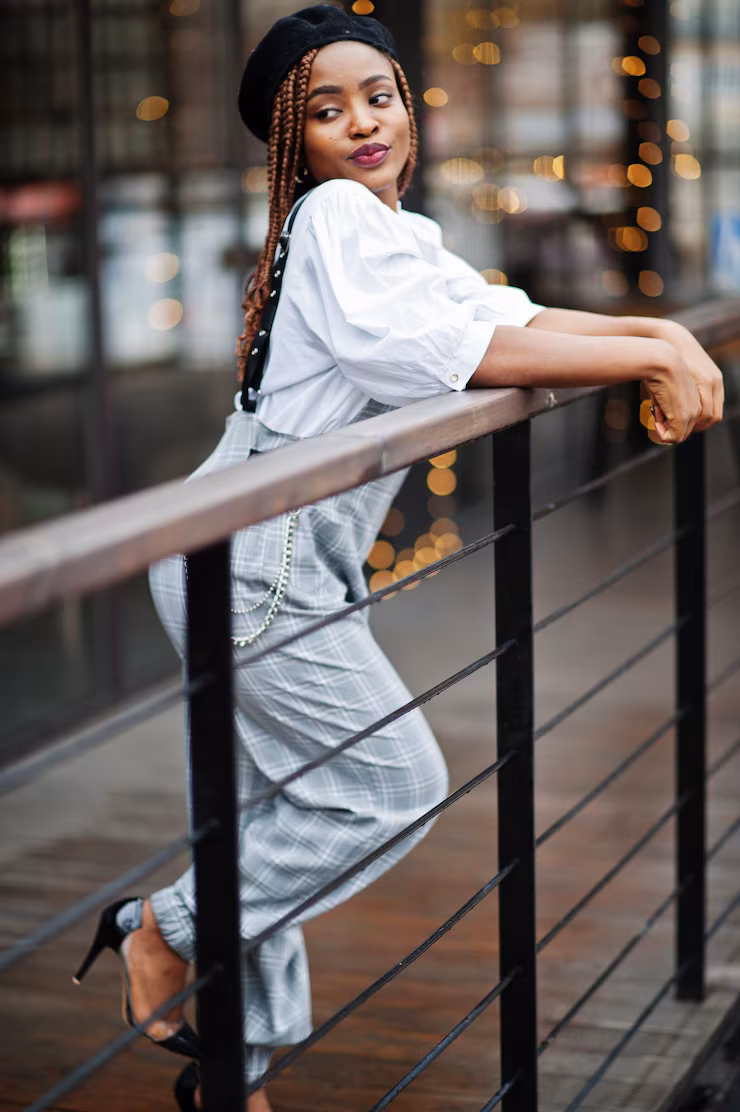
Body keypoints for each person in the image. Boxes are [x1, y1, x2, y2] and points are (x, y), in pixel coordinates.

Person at [73, 6, 723, 1110]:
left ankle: (234, 1065)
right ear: (293, 143)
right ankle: (164, 927)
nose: (362, 124)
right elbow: (453, 353)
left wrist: (660, 336)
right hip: (257, 554)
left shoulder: (390, 232)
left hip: (263, 543)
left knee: (276, 804)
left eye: (378, 95)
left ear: (408, 104)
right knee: (388, 783)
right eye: (324, 112)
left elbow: (500, 312)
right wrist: (642, 360)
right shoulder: (333, 213)